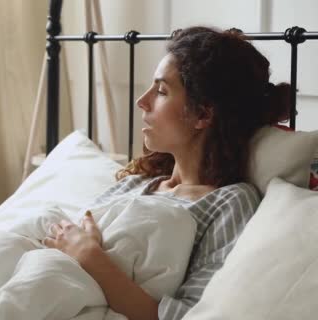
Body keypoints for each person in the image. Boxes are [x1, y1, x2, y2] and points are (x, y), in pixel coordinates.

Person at [43, 26, 291, 320]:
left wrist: (90, 257)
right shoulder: (136, 183)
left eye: (161, 91)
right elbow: (62, 246)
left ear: (203, 114)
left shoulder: (230, 202)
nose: (142, 101)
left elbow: (187, 315)